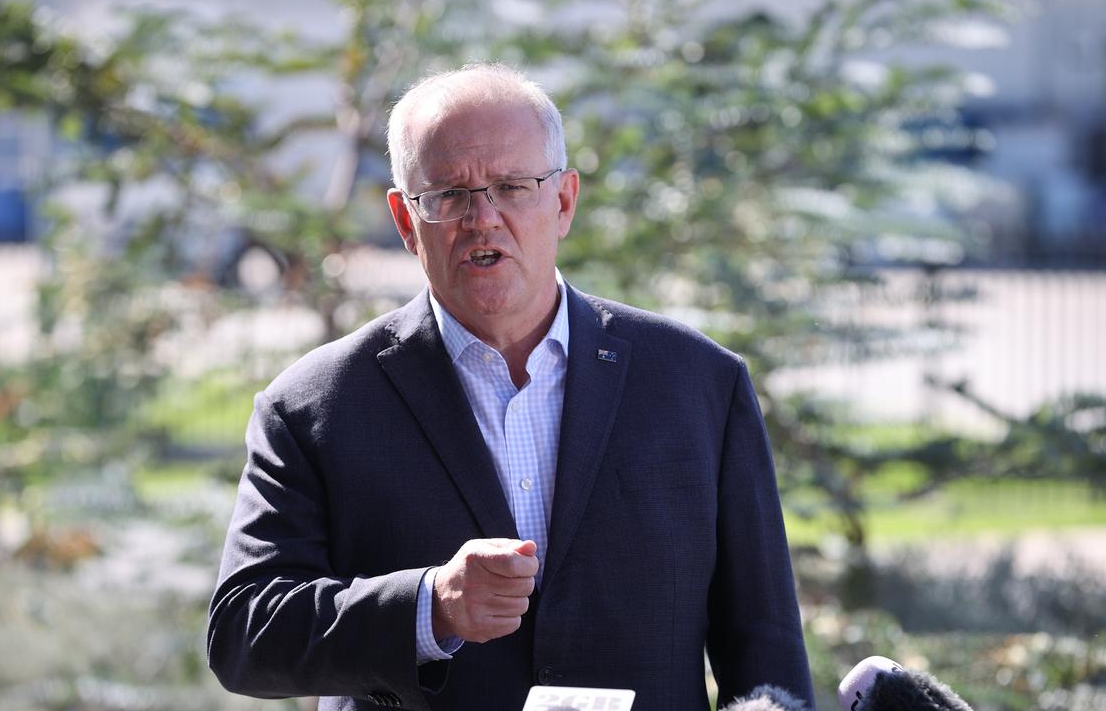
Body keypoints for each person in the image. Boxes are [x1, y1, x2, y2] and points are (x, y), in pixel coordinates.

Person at [207, 62, 813, 711]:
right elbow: (245, 633)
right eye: (448, 194)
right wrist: (430, 606)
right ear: (407, 222)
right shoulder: (313, 406)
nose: (482, 219)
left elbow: (768, 664)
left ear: (564, 201)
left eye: (512, 186)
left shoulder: (699, 385)